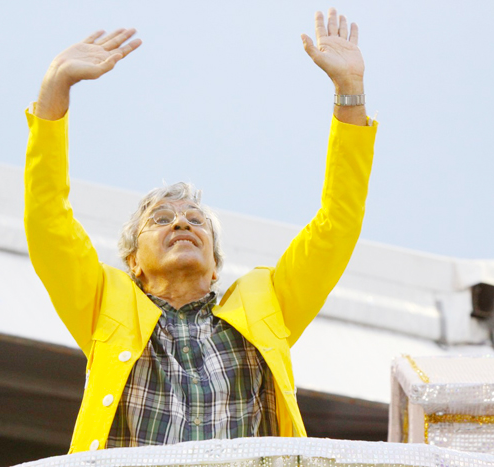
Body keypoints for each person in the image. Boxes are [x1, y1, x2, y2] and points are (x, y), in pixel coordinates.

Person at [24, 8, 377, 453]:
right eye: (160, 219)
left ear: (215, 268)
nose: (181, 222)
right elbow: (48, 221)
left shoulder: (269, 305)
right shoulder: (103, 306)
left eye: (196, 220)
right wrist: (55, 89)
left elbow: (336, 225)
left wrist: (350, 92)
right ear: (133, 262)